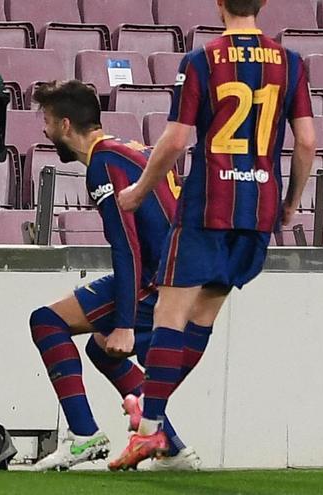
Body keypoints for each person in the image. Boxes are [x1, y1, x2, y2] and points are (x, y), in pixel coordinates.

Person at [109, 0, 316, 470]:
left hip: (209, 204)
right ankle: (151, 415)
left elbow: (177, 139)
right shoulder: (291, 62)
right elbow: (306, 141)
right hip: (258, 207)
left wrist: (140, 190)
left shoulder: (202, 59)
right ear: (263, 3)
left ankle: (149, 425)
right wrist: (291, 202)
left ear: (219, 3)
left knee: (170, 315)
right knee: (202, 318)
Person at [28, 81, 204, 471]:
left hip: (159, 280)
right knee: (100, 349)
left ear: (65, 125)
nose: (44, 129)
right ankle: (170, 448)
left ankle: (84, 436)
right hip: (181, 273)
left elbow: (127, 247)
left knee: (47, 322)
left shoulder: (103, 166)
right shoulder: (129, 150)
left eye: (48, 121)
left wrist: (124, 324)